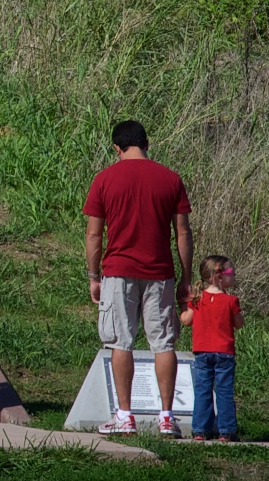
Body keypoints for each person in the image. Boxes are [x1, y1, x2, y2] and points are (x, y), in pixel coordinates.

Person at [83, 119, 193, 436]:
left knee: (121, 341)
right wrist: (185, 276)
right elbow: (182, 232)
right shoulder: (170, 179)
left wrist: (94, 276)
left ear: (116, 148)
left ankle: (125, 415)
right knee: (163, 344)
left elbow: (94, 235)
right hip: (160, 272)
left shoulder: (105, 178)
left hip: (118, 271)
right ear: (147, 143)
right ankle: (167, 417)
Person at [181, 255, 242, 442]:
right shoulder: (231, 301)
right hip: (224, 352)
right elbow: (239, 324)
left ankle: (200, 430)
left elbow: (186, 320)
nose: (234, 275)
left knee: (202, 390)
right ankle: (226, 431)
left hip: (202, 352)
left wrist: (182, 306)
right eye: (231, 271)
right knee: (224, 391)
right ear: (219, 276)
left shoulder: (198, 299)